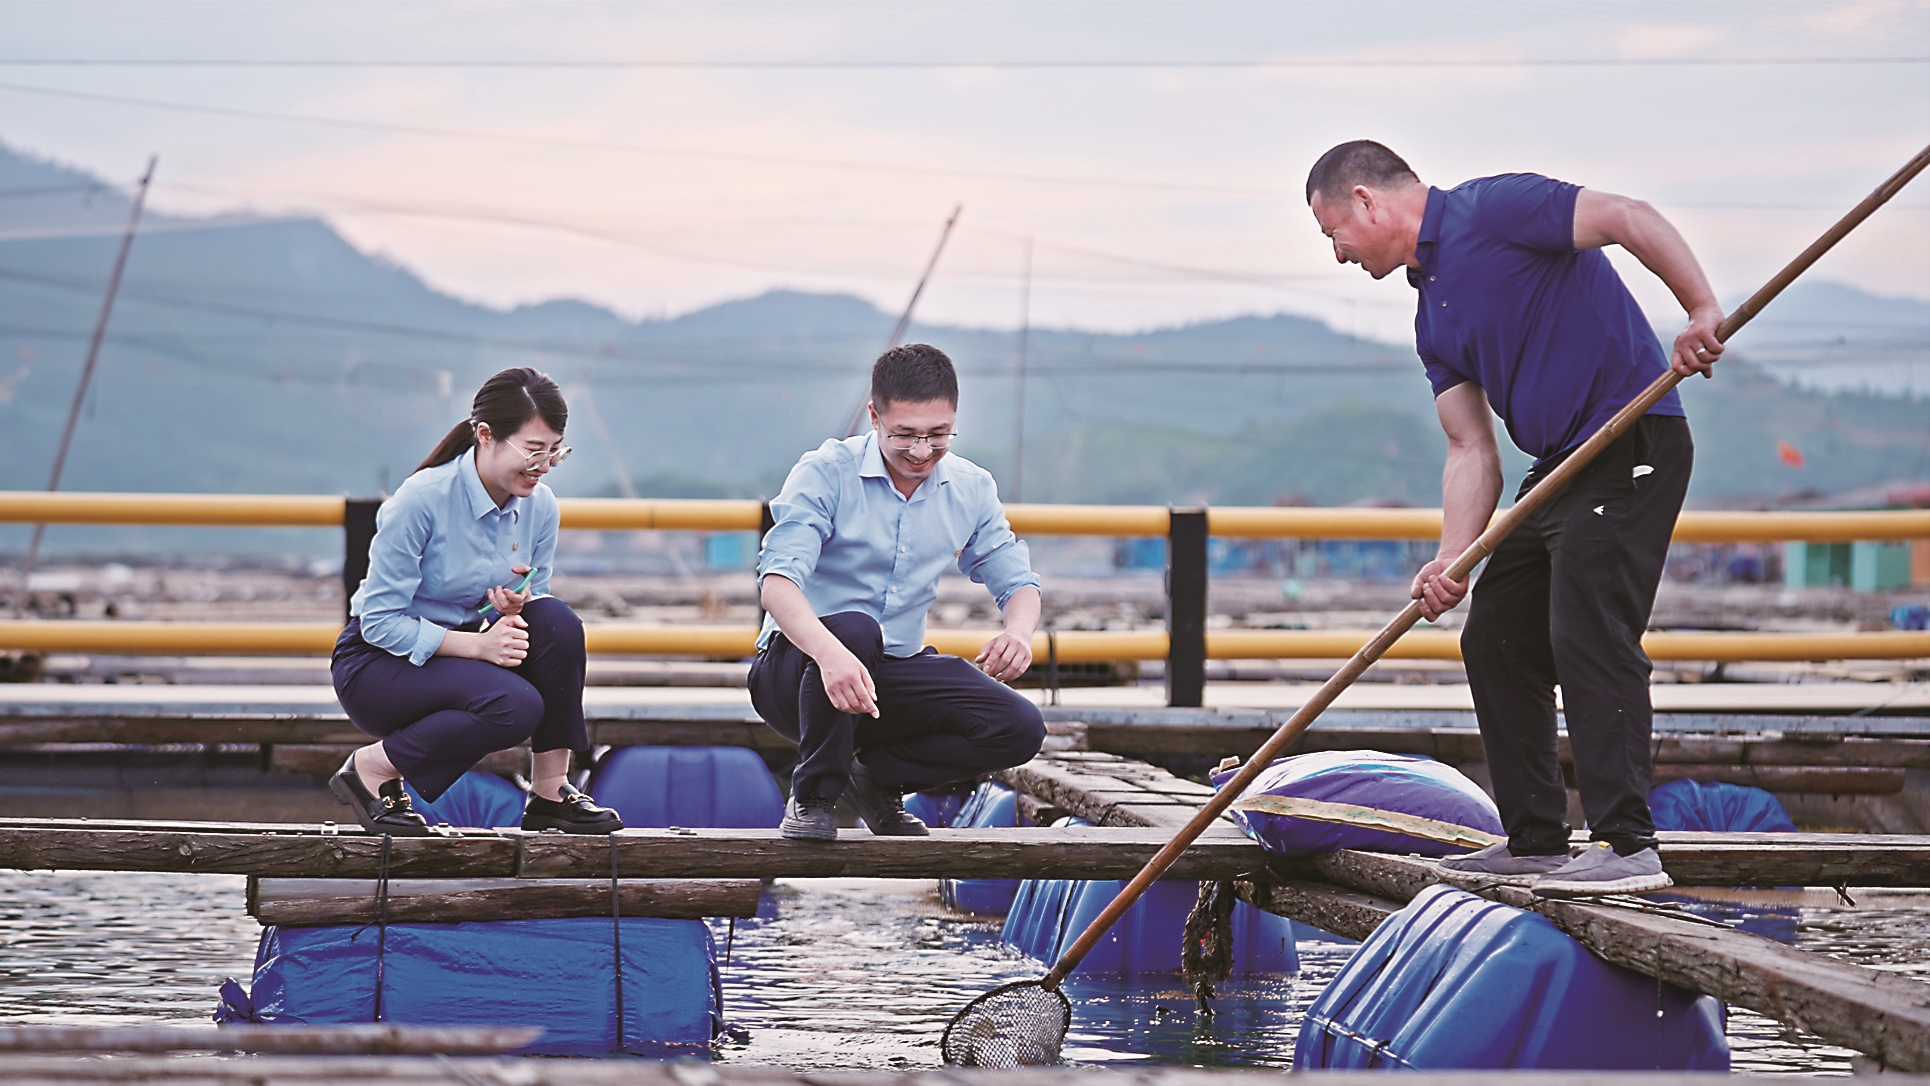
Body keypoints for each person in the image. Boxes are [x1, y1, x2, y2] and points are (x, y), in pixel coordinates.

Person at [1305, 140, 1724, 895]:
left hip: (1631, 439)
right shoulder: (1431, 315)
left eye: (1331, 231)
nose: (1336, 254)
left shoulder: (1494, 209)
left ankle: (1628, 844)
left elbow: (1628, 217)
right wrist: (1450, 559)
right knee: (1497, 639)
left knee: (1586, 626)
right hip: (1555, 470)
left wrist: (1699, 309)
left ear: (1366, 201)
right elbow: (1471, 450)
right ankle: (1535, 840)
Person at [753, 343, 1047, 841]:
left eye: (938, 436)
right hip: (798, 668)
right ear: (874, 415)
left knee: (1019, 726)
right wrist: (831, 656)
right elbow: (777, 585)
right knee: (854, 629)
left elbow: (1017, 581)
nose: (920, 452)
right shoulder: (826, 471)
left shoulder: (971, 486)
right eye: (904, 435)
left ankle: (877, 777)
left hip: (887, 674)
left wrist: (1018, 633)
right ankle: (812, 798)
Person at [329, 367, 622, 837]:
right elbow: (378, 622)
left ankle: (551, 791)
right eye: (533, 450)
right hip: (378, 665)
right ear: (486, 435)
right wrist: (480, 648)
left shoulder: (540, 506)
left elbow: (530, 605)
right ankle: (371, 769)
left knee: (557, 622)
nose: (543, 465)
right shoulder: (420, 500)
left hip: (458, 659)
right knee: (516, 705)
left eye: (554, 451)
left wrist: (506, 611)